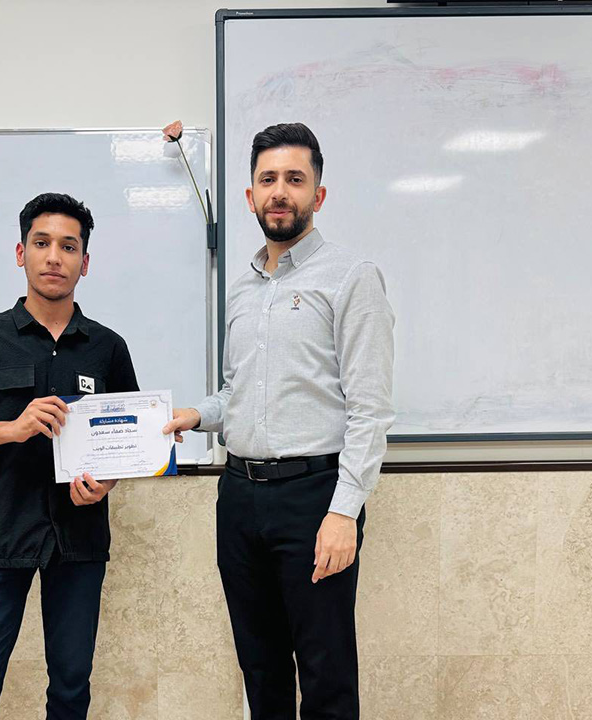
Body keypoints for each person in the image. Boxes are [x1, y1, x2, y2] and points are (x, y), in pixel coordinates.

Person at [164, 123, 395, 719]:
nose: (280, 191)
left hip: (314, 499)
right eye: (268, 179)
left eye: (295, 179)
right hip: (239, 499)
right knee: (260, 671)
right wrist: (198, 414)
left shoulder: (351, 277)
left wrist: (344, 512)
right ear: (250, 196)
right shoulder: (242, 289)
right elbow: (239, 392)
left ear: (319, 194)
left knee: (325, 676)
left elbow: (370, 409)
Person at [0, 192, 139, 720]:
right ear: (21, 253)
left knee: (71, 685)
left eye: (68, 246)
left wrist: (107, 483)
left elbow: (128, 443)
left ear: (84, 262)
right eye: (41, 243)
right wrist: (14, 428)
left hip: (78, 538)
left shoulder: (108, 348)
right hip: (0, 533)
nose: (54, 257)